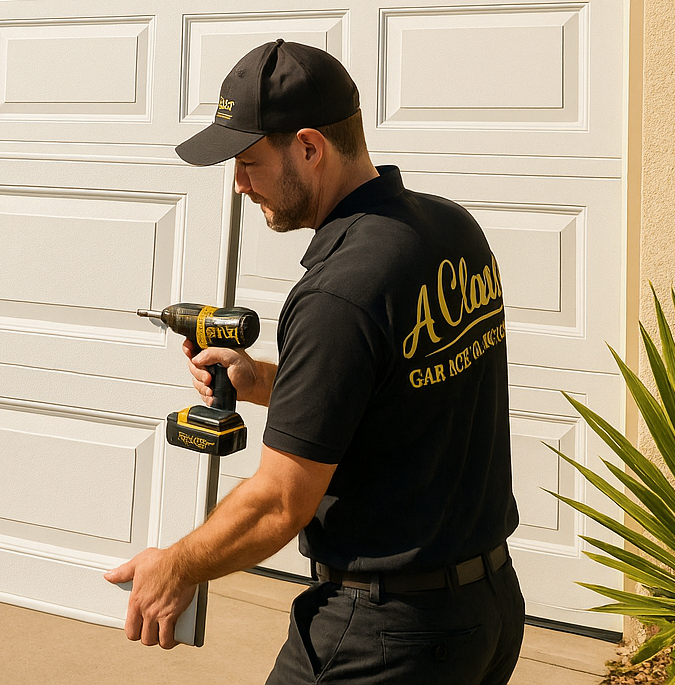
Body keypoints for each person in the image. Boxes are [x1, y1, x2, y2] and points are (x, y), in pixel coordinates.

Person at [105, 40, 523, 684]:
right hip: (486, 611)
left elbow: (279, 503)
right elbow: (406, 388)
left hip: (384, 637)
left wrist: (178, 565)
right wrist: (268, 382)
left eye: (247, 162)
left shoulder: (338, 290)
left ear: (308, 147)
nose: (239, 185)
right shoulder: (451, 230)